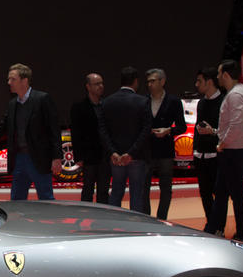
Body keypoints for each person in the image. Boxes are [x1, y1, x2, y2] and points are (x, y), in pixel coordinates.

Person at [0, 63, 61, 201]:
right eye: (9, 79)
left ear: (24, 80)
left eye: (13, 79)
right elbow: (1, 128)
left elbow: (54, 130)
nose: (9, 82)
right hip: (19, 159)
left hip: (39, 158)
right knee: (16, 199)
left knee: (46, 197)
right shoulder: (13, 104)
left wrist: (57, 158)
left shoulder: (42, 99)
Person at [204, 59, 243, 242]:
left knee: (236, 194)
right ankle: (214, 228)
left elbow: (236, 125)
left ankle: (242, 233)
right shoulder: (239, 92)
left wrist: (223, 143)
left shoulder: (236, 95)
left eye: (219, 74)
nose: (217, 77)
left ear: (225, 75)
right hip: (236, 149)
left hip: (235, 151)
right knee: (223, 192)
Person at [99, 66, 152, 213]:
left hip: (116, 157)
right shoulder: (143, 101)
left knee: (116, 191)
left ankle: (113, 223)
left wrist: (113, 152)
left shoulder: (107, 102)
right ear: (136, 81)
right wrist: (131, 153)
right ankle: (136, 225)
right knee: (136, 194)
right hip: (136, 157)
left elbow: (102, 130)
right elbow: (146, 130)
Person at [144, 68, 186, 219]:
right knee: (143, 188)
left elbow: (182, 127)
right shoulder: (144, 100)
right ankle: (146, 219)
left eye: (153, 81)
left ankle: (162, 219)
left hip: (165, 151)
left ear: (162, 81)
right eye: (148, 81)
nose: (150, 84)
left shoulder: (174, 101)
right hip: (147, 150)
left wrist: (168, 130)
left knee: (166, 188)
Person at [69, 72, 109, 203]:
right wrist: (79, 157)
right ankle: (85, 214)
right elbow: (76, 133)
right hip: (88, 156)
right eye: (97, 84)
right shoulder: (79, 107)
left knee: (104, 190)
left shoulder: (107, 105)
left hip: (105, 155)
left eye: (101, 83)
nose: (100, 86)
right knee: (88, 189)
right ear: (88, 86)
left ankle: (104, 214)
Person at [193, 67, 224, 230]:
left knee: (219, 194)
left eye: (200, 81)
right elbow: (197, 128)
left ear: (209, 82)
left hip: (217, 155)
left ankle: (218, 226)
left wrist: (213, 131)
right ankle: (211, 224)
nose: (196, 84)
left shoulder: (224, 102)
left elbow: (228, 129)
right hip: (201, 155)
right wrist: (195, 151)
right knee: (204, 193)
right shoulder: (201, 103)